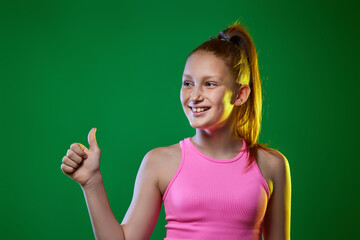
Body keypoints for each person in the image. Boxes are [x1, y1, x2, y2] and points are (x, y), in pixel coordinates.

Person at [61, 21, 291, 240]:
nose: (194, 96)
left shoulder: (271, 165)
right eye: (188, 83)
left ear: (240, 94)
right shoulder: (159, 162)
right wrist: (91, 182)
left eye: (209, 84)